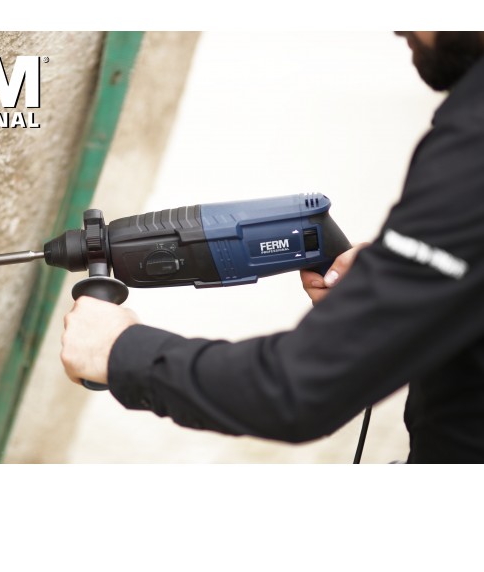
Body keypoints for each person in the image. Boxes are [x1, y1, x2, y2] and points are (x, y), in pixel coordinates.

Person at [60, 32, 484, 463]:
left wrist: (119, 351)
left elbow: (298, 389)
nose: (399, 27)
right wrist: (395, 293)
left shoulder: (472, 147)